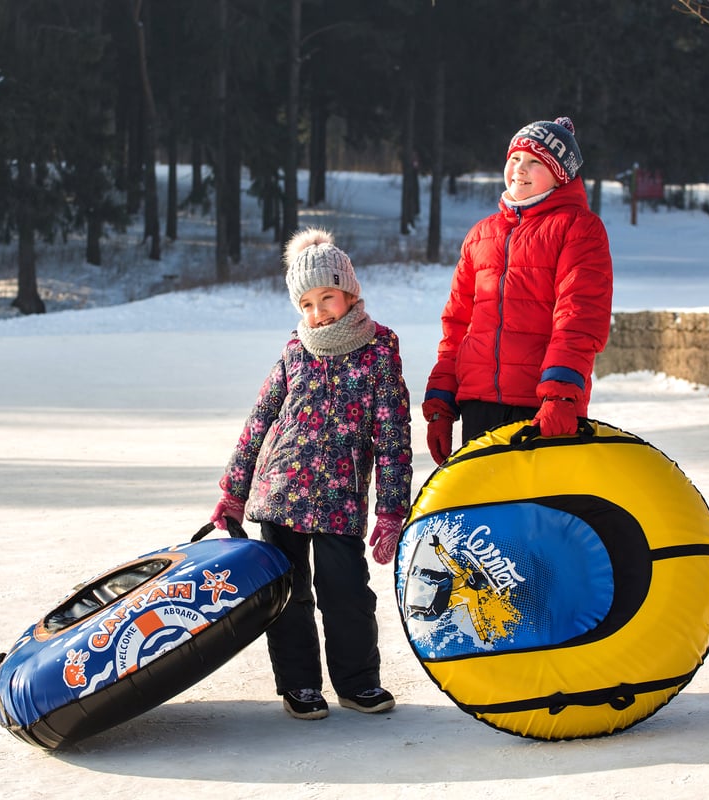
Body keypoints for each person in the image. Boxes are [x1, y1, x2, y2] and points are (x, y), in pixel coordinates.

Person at [210, 227, 413, 720]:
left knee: (346, 592)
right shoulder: (295, 351)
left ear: (350, 293)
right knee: (289, 595)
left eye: (327, 297)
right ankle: (300, 684)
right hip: (279, 493)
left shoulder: (379, 350)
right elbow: (259, 421)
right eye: (306, 303)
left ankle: (358, 681)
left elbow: (392, 436)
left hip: (340, 498)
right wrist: (234, 491)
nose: (318, 312)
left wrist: (390, 510)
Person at [423, 116, 613, 464]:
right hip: (478, 405)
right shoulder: (482, 234)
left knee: (535, 514)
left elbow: (579, 317)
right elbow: (457, 326)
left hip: (540, 407)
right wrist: (441, 403)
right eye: (515, 158)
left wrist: (561, 395)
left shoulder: (578, 228)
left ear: (560, 174)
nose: (519, 170)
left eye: (535, 162)